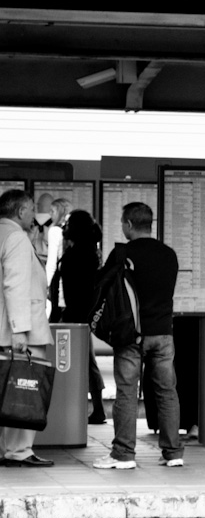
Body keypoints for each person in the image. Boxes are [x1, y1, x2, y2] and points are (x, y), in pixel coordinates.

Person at [93, 202, 182, 470]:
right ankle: (173, 451)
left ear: (129, 224)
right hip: (164, 334)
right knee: (167, 392)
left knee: (127, 393)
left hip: (132, 335)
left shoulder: (122, 254)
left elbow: (103, 288)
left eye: (122, 223)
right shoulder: (169, 255)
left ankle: (123, 454)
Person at [0, 190, 54, 467]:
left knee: (4, 388)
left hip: (4, 327)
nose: (34, 216)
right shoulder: (16, 238)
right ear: (21, 212)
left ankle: (7, 449)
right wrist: (19, 330)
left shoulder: (4, 234)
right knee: (23, 388)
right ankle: (18, 451)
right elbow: (16, 284)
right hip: (21, 330)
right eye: (32, 210)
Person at [55, 210, 107, 425]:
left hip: (75, 315)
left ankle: (91, 409)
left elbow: (72, 290)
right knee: (87, 361)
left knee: (80, 362)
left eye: (67, 224)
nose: (63, 227)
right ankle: (97, 408)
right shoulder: (90, 251)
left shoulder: (78, 254)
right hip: (81, 315)